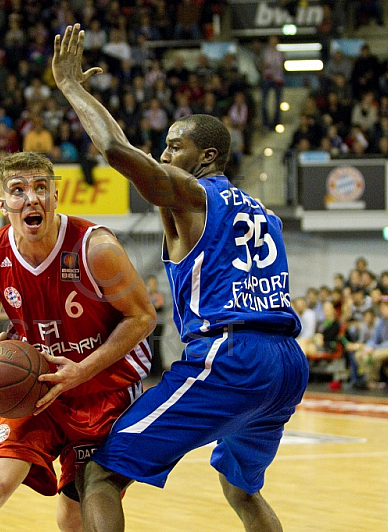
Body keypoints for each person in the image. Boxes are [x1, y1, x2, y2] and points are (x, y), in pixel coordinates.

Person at [53, 25, 308, 532]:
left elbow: (118, 152)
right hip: (286, 364)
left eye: (174, 147)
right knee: (241, 488)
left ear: (206, 157)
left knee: (98, 475)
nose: (165, 156)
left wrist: (72, 88)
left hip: (230, 356)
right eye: (165, 148)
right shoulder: (263, 212)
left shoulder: (192, 194)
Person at [0, 152, 155, 532]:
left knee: (74, 516)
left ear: (55, 196)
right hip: (35, 386)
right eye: (18, 191)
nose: (31, 199)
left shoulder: (96, 248)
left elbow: (143, 317)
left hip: (101, 389)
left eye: (40, 188)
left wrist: (82, 370)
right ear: (3, 204)